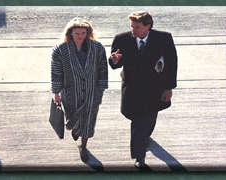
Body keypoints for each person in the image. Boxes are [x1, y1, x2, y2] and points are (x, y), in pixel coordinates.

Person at [109, 11, 177, 169]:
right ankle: (140, 154)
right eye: (131, 26)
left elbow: (172, 63)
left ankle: (142, 146)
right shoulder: (121, 38)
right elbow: (115, 63)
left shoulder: (164, 38)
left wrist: (169, 88)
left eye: (137, 27)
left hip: (155, 89)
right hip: (132, 89)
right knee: (138, 121)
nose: (133, 30)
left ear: (148, 26)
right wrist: (114, 61)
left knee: (148, 121)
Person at [51, 18, 108, 162]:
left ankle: (83, 146)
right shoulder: (60, 49)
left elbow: (103, 68)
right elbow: (56, 72)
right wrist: (56, 92)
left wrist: (101, 88)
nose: (81, 36)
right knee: (73, 118)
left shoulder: (97, 47)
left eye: (84, 33)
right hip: (70, 91)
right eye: (77, 33)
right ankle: (75, 128)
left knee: (89, 120)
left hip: (92, 90)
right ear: (70, 33)